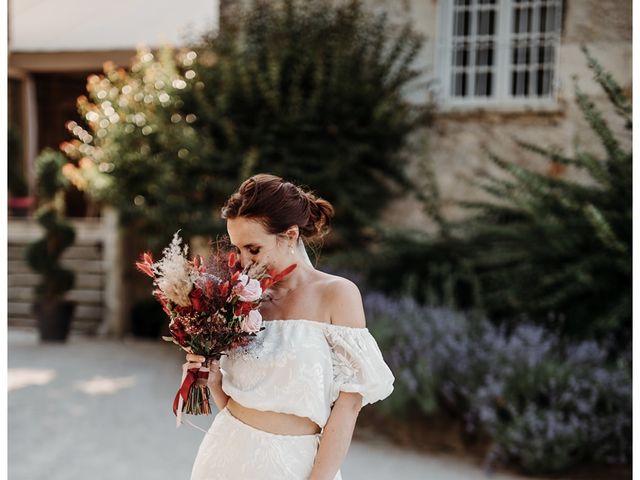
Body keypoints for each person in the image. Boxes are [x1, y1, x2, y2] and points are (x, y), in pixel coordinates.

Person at [186, 173, 395, 480]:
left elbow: (348, 408)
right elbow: (236, 402)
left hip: (296, 467)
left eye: (254, 249)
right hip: (223, 455)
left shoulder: (337, 295)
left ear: (290, 235)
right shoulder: (241, 300)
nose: (243, 262)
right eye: (238, 249)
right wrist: (212, 379)